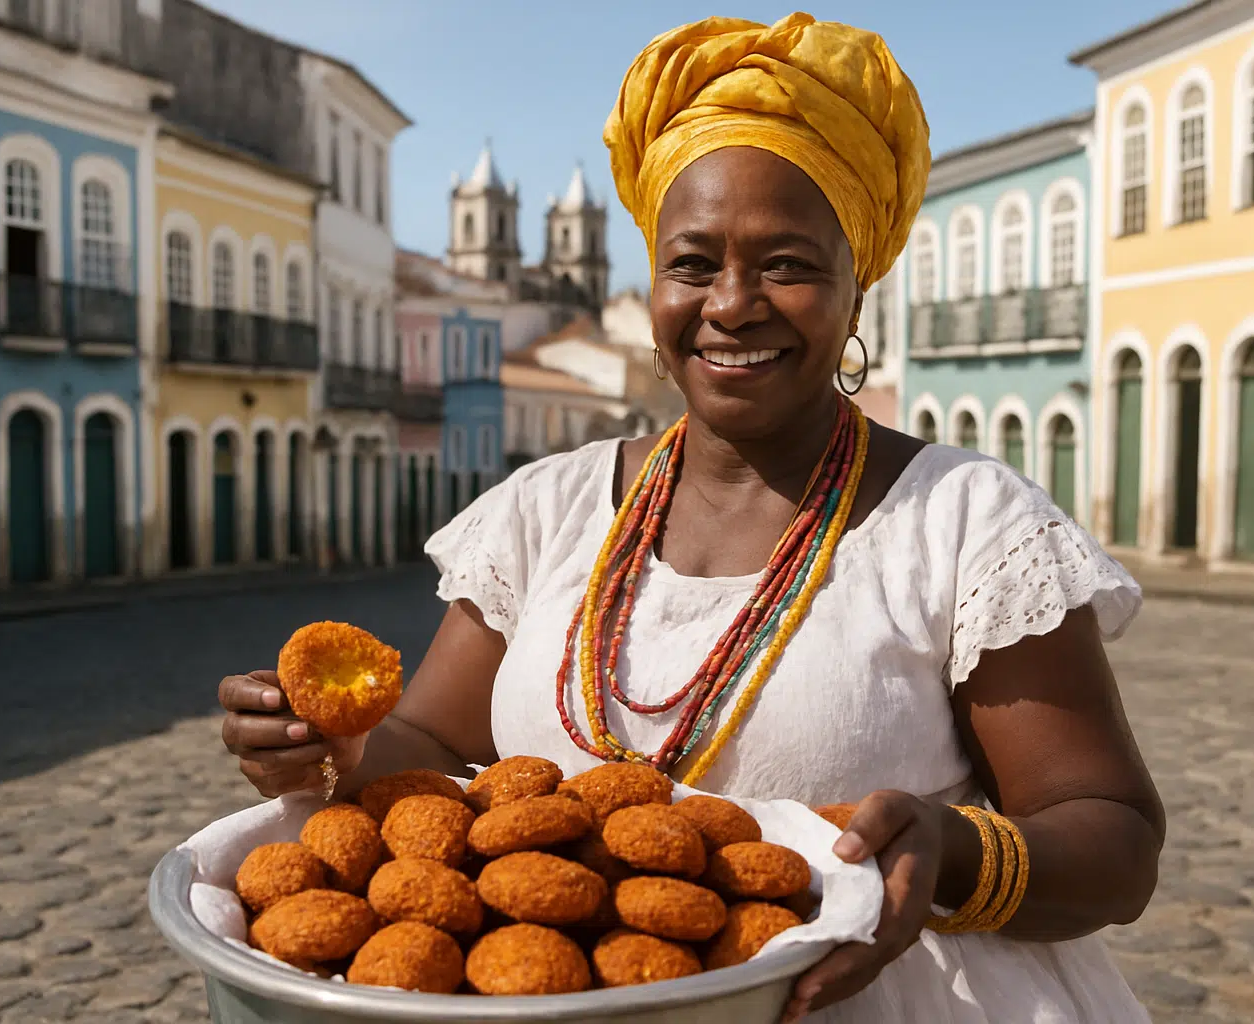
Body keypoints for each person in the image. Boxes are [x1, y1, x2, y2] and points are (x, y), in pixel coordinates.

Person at [219, 13, 1164, 1022]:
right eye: (693, 262)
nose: (733, 302)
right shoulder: (549, 511)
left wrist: (959, 853)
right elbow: (428, 737)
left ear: (858, 290)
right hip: (562, 988)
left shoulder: (967, 526)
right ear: (655, 283)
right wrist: (330, 747)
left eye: (790, 264)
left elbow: (1113, 839)